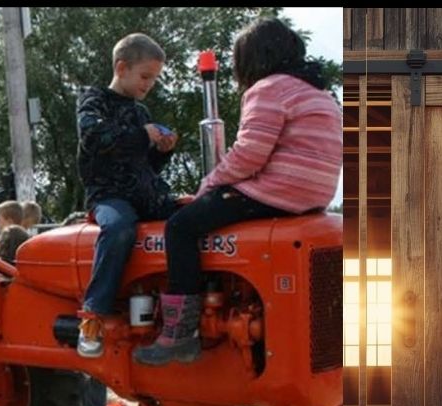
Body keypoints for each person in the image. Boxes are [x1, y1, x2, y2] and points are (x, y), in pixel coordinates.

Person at [134, 19, 339, 366]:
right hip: (314, 195)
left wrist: (209, 183)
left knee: (180, 226)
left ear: (252, 59)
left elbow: (249, 154)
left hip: (277, 191)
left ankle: (180, 333)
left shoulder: (268, 89)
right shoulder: (321, 95)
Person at [75, 32, 180, 359]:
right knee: (120, 228)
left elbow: (146, 166)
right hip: (109, 195)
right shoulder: (93, 101)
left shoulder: (141, 113)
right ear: (121, 68)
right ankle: (92, 316)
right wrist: (141, 136)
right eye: (145, 76)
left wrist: (162, 151)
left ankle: (179, 317)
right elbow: (94, 138)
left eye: (154, 79)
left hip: (144, 195)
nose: (149, 84)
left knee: (193, 218)